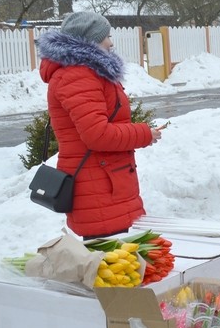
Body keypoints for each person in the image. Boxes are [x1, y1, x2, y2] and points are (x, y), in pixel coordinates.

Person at [37, 12, 161, 238]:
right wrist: (144, 133)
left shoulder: (86, 72)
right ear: (89, 40)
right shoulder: (78, 75)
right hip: (98, 184)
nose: (111, 42)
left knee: (118, 263)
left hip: (106, 180)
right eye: (106, 36)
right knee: (111, 261)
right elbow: (97, 134)